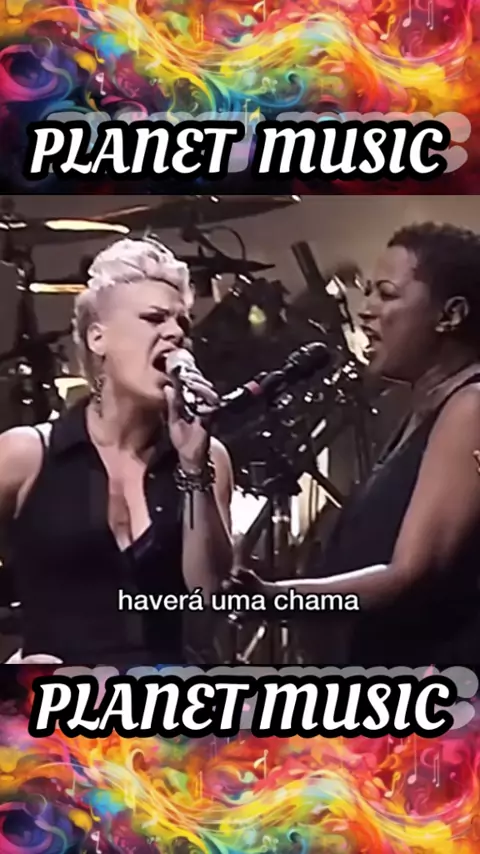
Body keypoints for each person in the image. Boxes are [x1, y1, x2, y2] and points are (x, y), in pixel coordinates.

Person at [235, 222, 480, 665]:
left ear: (451, 315)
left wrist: (275, 597)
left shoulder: (471, 409)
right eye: (368, 292)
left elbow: (410, 574)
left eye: (386, 294)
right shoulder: (424, 410)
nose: (366, 311)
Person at [0, 236, 233, 665]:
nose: (175, 333)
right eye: (154, 318)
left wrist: (192, 465)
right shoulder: (25, 455)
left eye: (183, 323)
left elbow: (207, 600)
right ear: (97, 337)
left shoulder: (207, 457)